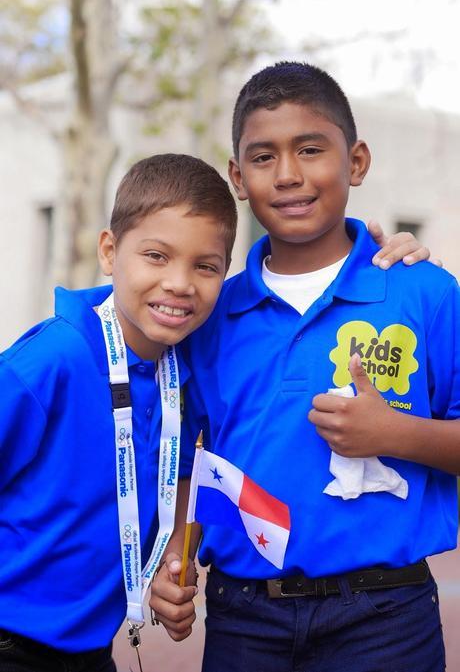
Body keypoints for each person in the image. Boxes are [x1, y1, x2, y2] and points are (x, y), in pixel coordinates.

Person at [150, 63, 459, 671]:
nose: (289, 174)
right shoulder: (208, 312)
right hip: (243, 617)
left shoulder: (424, 292)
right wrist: (172, 559)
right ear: (238, 178)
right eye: (263, 158)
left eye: (311, 149)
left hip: (386, 618)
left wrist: (397, 434)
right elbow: (185, 465)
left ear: (357, 162)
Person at [0, 153, 238, 672]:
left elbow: (177, 476)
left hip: (91, 653)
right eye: (156, 255)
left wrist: (172, 557)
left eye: (205, 266)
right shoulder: (51, 360)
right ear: (110, 251)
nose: (179, 282)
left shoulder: (185, 375)